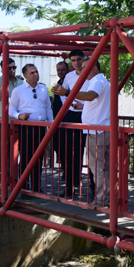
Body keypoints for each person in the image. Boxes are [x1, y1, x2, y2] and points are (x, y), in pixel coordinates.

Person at [9, 64, 53, 192]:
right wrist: (19, 116)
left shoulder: (43, 89)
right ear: (25, 75)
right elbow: (11, 109)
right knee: (25, 157)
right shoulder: (18, 90)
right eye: (32, 73)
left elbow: (48, 108)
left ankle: (36, 186)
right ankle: (23, 185)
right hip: (26, 127)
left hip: (41, 127)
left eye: (36, 72)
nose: (35, 75)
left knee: (39, 157)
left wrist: (51, 125)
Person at [51, 50, 88, 197]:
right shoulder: (69, 76)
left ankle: (92, 187)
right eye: (73, 60)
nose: (77, 63)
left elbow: (95, 97)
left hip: (87, 115)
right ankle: (70, 186)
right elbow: (63, 94)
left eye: (79, 59)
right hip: (71, 115)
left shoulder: (91, 75)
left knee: (89, 151)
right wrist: (71, 105)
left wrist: (84, 106)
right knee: (69, 150)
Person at [75, 57, 111, 206]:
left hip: (96, 131)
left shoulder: (97, 81)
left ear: (95, 68)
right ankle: (108, 197)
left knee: (97, 166)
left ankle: (101, 199)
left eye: (85, 67)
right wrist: (83, 107)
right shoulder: (102, 81)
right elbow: (98, 104)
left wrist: (68, 92)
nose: (82, 70)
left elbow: (90, 96)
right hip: (102, 129)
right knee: (105, 166)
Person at [0, 58, 24, 182]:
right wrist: (5, 80)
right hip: (3, 119)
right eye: (9, 68)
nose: (12, 70)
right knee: (2, 149)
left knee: (18, 149)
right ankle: (1, 176)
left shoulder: (20, 82)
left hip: (18, 119)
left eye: (14, 68)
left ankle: (14, 175)